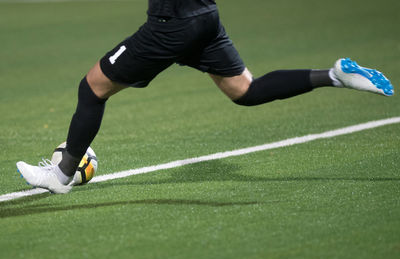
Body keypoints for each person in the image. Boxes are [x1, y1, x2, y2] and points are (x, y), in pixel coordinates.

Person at [16, 0, 394, 194]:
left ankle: (62, 174)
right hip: (204, 16)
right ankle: (334, 76)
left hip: (170, 24)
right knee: (244, 90)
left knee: (93, 87)